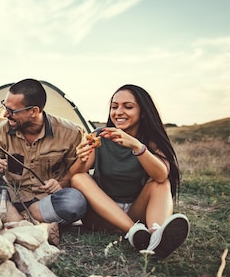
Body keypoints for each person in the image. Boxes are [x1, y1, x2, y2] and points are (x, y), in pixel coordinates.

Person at [69, 84, 189, 259]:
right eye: (114, 106)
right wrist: (81, 158)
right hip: (102, 216)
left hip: (136, 214)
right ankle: (133, 233)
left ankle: (155, 235)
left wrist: (136, 146)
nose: (118, 112)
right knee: (80, 178)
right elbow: (74, 175)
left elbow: (161, 175)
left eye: (128, 107)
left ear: (143, 112)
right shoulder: (100, 135)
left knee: (160, 182)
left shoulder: (150, 141)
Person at [0, 78, 87, 242]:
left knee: (75, 201)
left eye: (12, 110)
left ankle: (15, 223)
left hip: (46, 202)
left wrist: (61, 184)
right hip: (9, 199)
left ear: (34, 111)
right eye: (4, 106)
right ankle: (30, 227)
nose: (6, 114)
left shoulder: (70, 133)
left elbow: (76, 173)